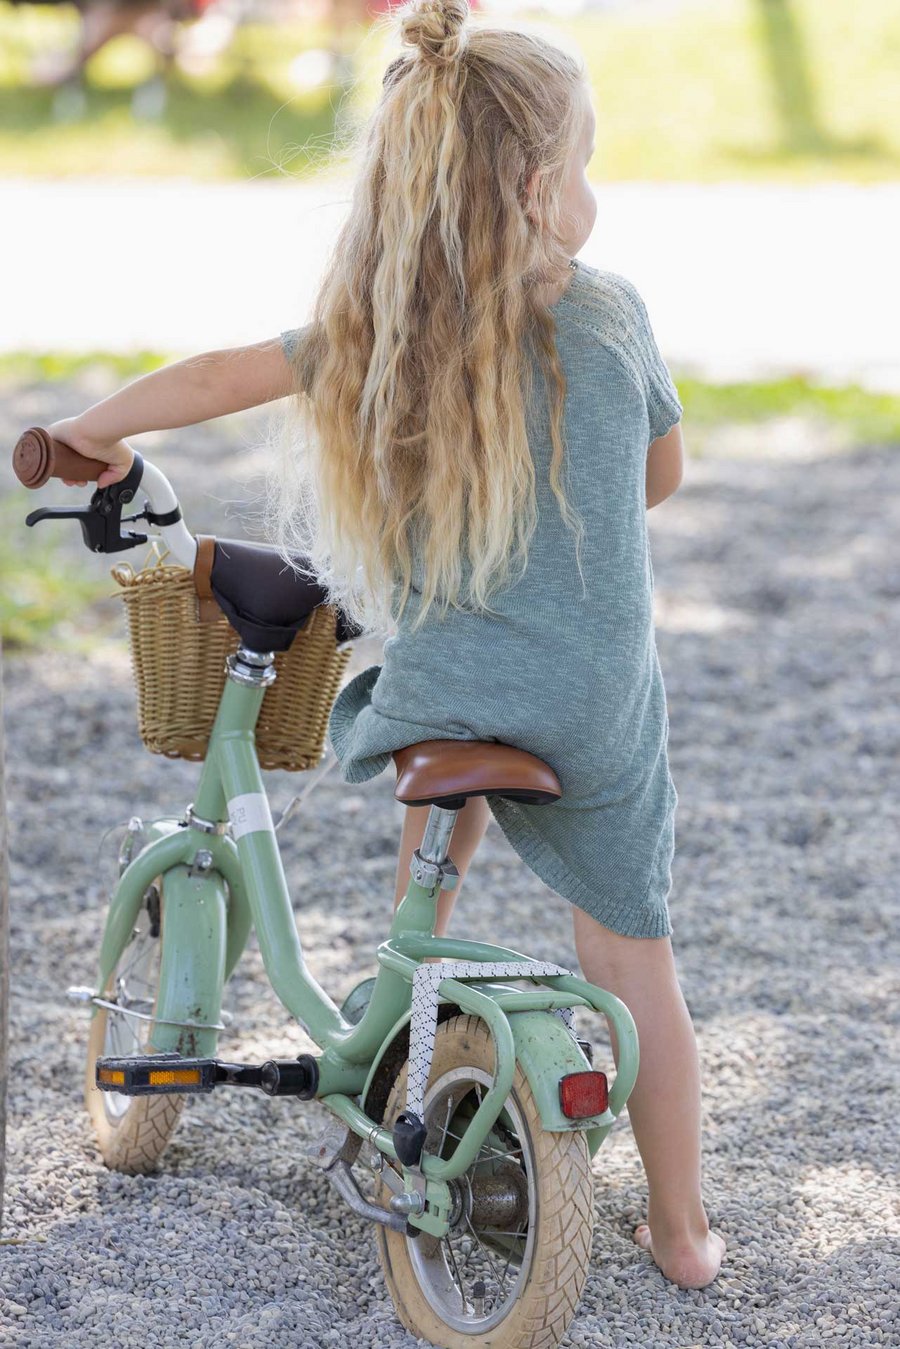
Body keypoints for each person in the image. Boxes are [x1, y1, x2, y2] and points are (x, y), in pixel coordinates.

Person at [46, 0, 725, 1291]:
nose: (593, 191)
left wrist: (92, 429)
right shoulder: (615, 315)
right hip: (600, 707)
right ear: (537, 188)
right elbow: (661, 481)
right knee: (635, 956)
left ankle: (424, 950)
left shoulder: (387, 328)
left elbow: (212, 375)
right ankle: (686, 1233)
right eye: (584, 166)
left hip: (459, 690)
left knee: (427, 709)